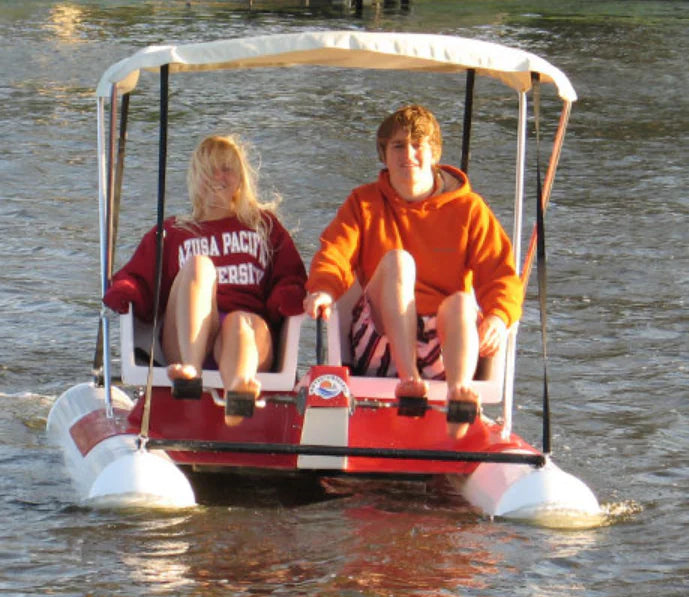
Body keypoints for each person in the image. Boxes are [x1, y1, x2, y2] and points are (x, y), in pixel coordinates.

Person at [303, 104, 522, 436]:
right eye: (398, 146)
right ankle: (409, 381)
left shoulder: (470, 209)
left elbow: (501, 273)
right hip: (379, 341)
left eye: (418, 144)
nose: (409, 154)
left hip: (445, 348)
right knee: (398, 262)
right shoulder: (363, 202)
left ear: (433, 153)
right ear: (384, 154)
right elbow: (335, 252)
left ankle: (459, 395)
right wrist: (323, 288)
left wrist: (497, 316)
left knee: (463, 301)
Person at [103, 134, 306, 425]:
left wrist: (287, 299)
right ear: (194, 177)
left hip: (246, 337)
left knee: (240, 322)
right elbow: (137, 278)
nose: (218, 177)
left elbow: (291, 277)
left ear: (241, 179)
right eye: (209, 169)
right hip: (186, 339)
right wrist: (125, 290)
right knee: (199, 266)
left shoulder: (264, 226)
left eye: (227, 169)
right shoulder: (173, 231)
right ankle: (191, 373)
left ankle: (240, 389)